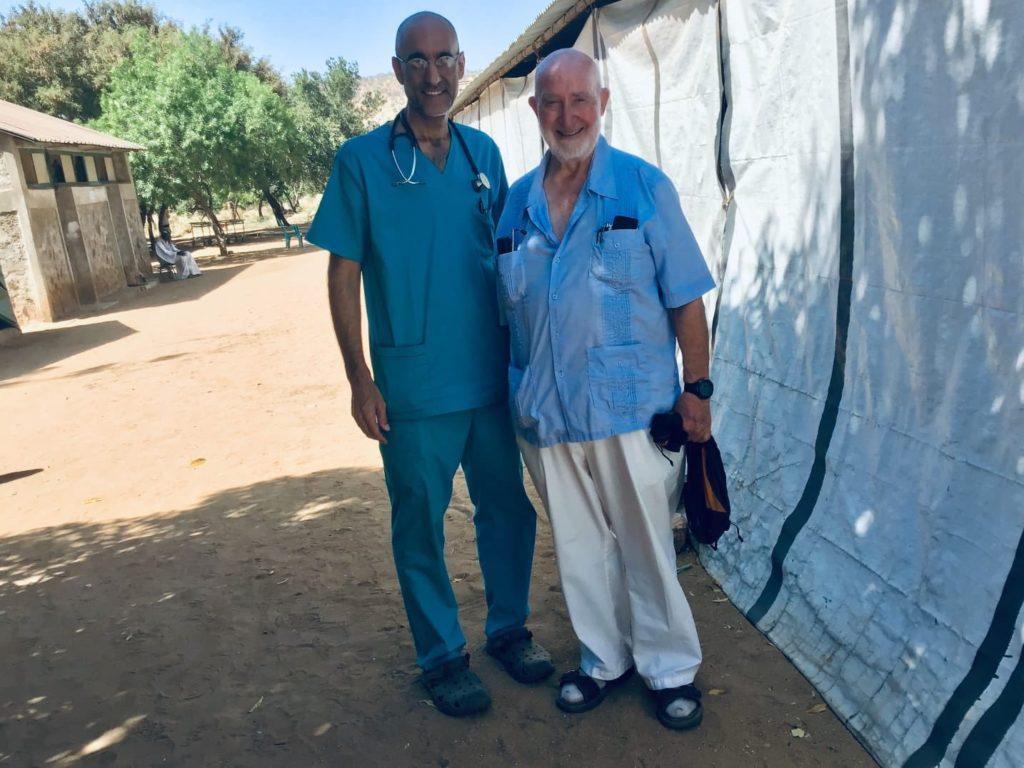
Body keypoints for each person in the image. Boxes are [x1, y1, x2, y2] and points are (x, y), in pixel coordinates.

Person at [306, 11, 552, 717]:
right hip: (412, 385)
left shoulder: (484, 158)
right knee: (420, 521)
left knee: (508, 510)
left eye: (445, 58)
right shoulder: (362, 162)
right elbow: (343, 271)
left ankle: (508, 629)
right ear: (398, 71)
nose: (434, 73)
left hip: (488, 375)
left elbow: (512, 262)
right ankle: (442, 656)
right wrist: (360, 377)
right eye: (417, 61)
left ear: (461, 61)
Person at [495, 48, 717, 730]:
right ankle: (602, 660)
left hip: (632, 410)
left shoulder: (645, 190)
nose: (568, 116)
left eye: (580, 100)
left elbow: (685, 301)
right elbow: (510, 313)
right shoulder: (515, 206)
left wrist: (698, 390)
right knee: (582, 549)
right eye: (553, 103)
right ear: (535, 112)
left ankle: (671, 667)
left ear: (603, 101)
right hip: (548, 416)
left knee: (647, 544)